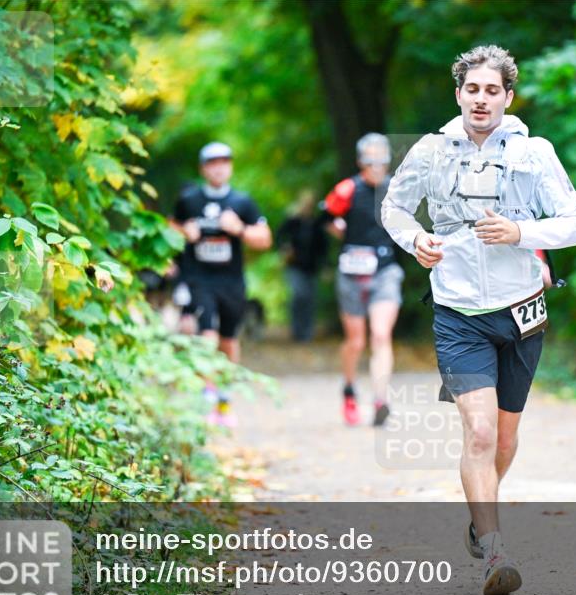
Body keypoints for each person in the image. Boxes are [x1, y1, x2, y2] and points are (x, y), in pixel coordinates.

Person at [382, 45, 576, 595]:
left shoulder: (535, 153)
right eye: (472, 89)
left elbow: (575, 224)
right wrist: (416, 239)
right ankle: (495, 551)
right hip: (457, 311)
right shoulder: (429, 152)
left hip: (521, 309)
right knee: (478, 430)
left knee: (504, 437)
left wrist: (522, 234)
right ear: (458, 94)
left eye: (492, 90)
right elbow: (395, 209)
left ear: (508, 97)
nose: (481, 99)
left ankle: (479, 519)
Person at [172, 141, 273, 424]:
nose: (218, 168)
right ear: (203, 169)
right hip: (198, 278)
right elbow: (168, 227)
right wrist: (183, 231)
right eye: (212, 163)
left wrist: (239, 229)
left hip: (231, 281)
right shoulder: (189, 200)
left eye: (224, 162)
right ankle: (208, 392)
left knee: (228, 340)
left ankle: (224, 402)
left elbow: (265, 239)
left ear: (230, 167)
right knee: (207, 335)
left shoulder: (242, 202)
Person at [320, 133, 403, 427]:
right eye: (370, 159)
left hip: (385, 270)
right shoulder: (347, 189)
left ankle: (381, 400)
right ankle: (349, 389)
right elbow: (326, 218)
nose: (376, 164)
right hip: (352, 272)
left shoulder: (396, 189)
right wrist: (345, 234)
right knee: (356, 341)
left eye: (381, 158)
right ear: (360, 161)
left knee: (381, 335)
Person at [276, 190, 328, 342]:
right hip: (294, 266)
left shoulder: (317, 224)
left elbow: (323, 247)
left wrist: (325, 266)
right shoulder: (293, 222)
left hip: (311, 267)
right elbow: (279, 236)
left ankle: (307, 332)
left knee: (310, 299)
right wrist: (285, 249)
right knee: (299, 295)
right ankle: (297, 330)